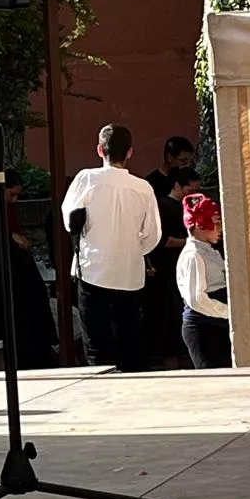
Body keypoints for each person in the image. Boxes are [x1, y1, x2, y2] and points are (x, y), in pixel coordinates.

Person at [62, 124, 161, 373]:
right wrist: (132, 249)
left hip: (92, 269)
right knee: (130, 341)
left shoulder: (86, 179)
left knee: (96, 345)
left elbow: (69, 220)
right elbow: (152, 234)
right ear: (130, 152)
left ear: (99, 149)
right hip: (129, 274)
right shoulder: (143, 187)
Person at [0, 170, 59, 370]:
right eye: (12, 195)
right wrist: (12, 239)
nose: (14, 200)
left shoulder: (0, 209)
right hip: (6, 278)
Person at [142, 167, 200, 368]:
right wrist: (189, 242)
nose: (191, 196)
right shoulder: (162, 207)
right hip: (167, 269)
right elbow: (161, 239)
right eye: (188, 191)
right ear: (177, 186)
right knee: (169, 314)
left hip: (185, 266)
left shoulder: (188, 207)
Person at [176, 194, 231, 369]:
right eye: (216, 222)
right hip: (204, 326)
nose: (220, 228)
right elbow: (196, 299)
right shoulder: (194, 255)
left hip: (218, 321)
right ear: (200, 225)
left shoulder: (210, 251)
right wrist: (230, 313)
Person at [143, 136, 195, 201]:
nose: (186, 164)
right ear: (169, 157)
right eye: (183, 161)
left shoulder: (185, 178)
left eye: (188, 161)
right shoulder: (151, 183)